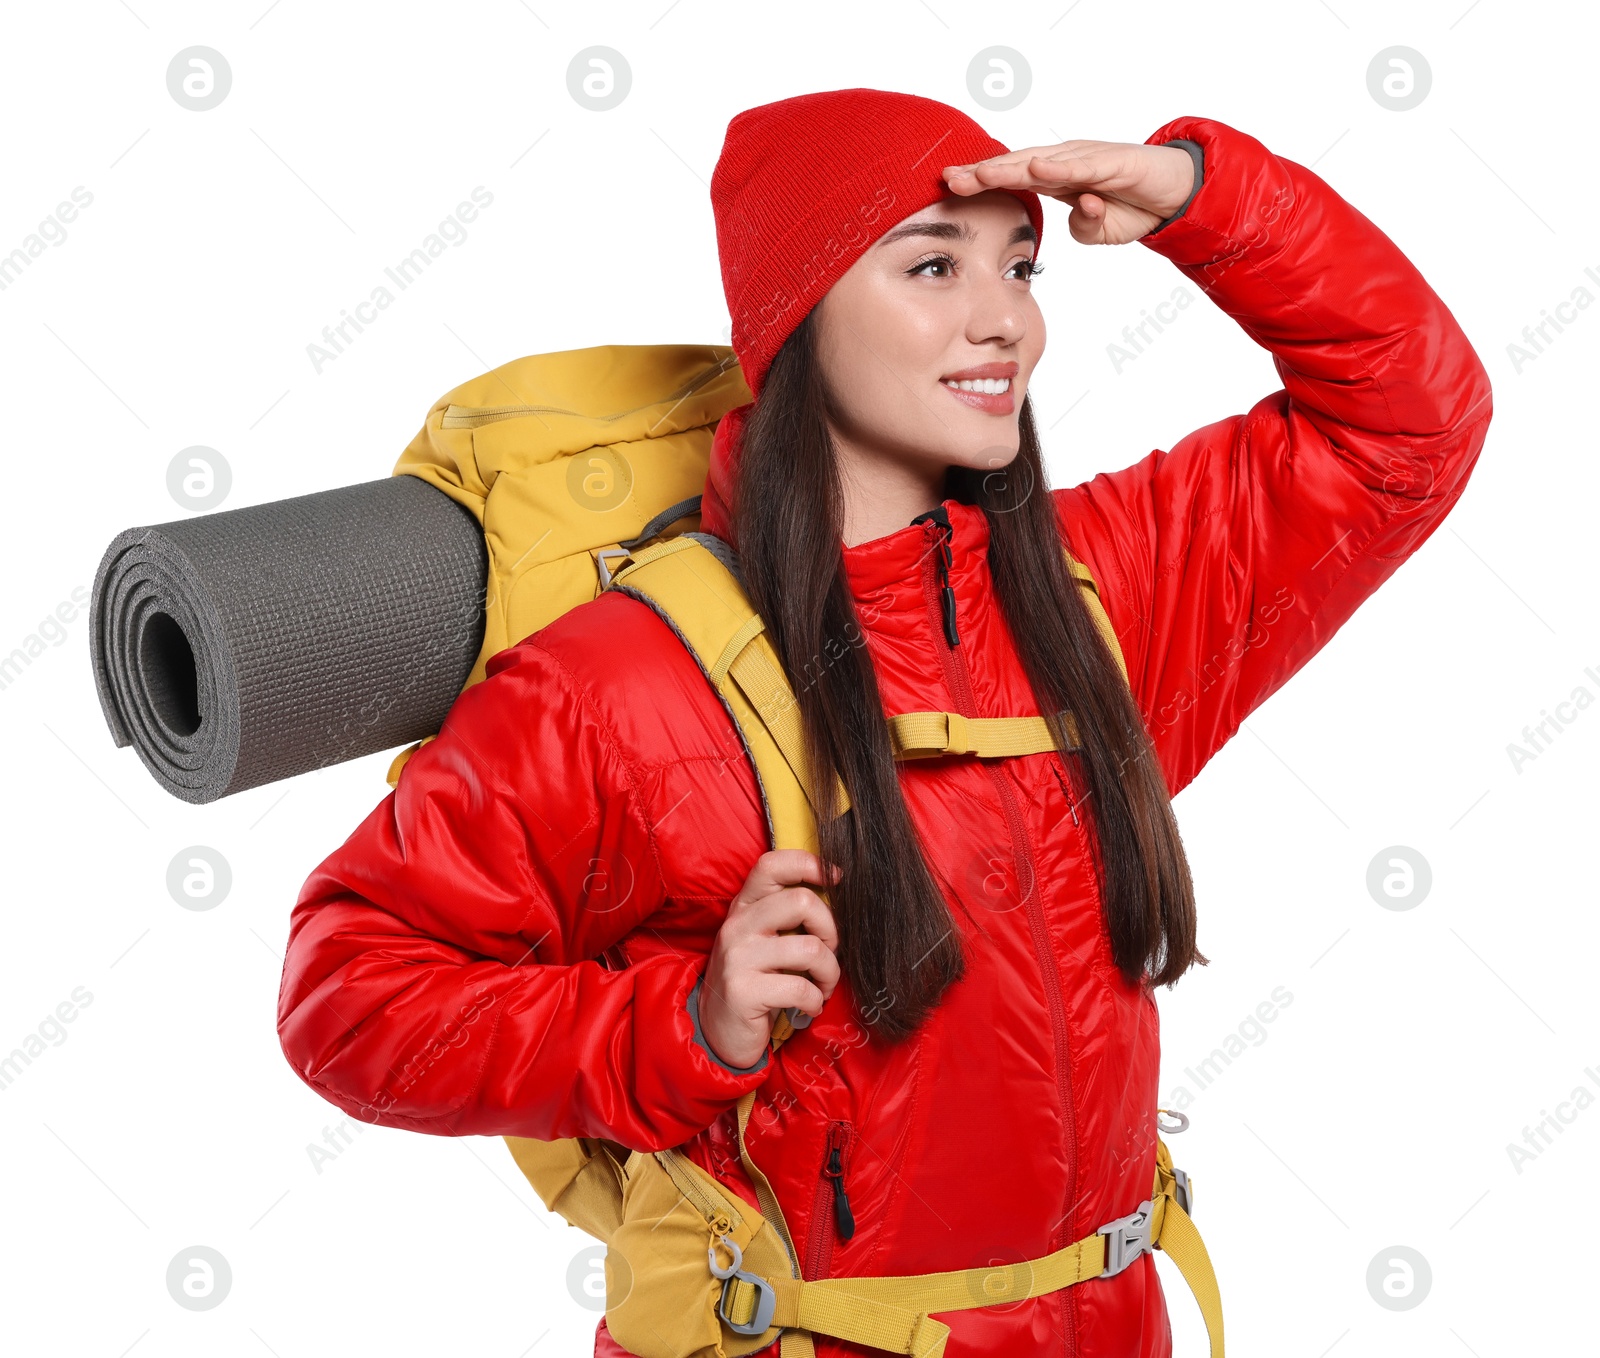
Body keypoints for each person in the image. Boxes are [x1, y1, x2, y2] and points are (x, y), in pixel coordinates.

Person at [276, 87, 1492, 1357]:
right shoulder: (621, 683)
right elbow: (348, 992)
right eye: (932, 263)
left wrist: (1207, 198)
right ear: (798, 319)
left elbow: (1413, 424)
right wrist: (681, 1025)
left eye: (1019, 265)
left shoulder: (1101, 599)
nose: (1005, 318)